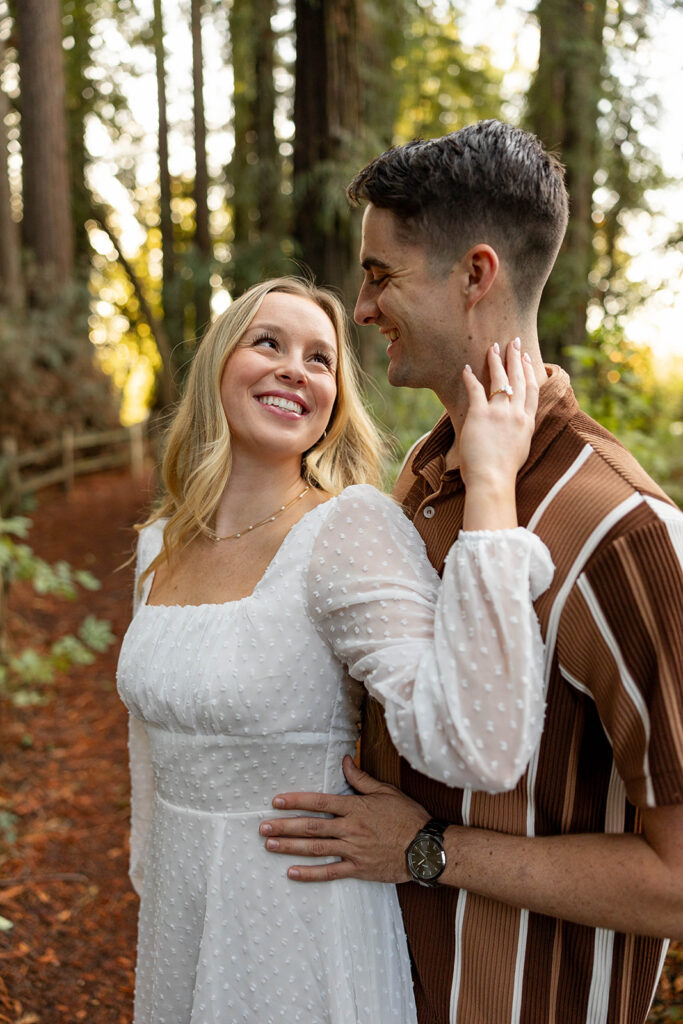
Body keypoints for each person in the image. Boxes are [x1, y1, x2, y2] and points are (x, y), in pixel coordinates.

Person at [260, 123, 683, 1024]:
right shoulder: (421, 473)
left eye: (380, 275)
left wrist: (428, 852)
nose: (362, 307)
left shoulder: (620, 531)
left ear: (475, 274)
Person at [117, 275, 554, 1024]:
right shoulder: (164, 540)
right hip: (177, 919)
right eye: (269, 343)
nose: (296, 367)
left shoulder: (346, 530)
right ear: (218, 367)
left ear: (332, 405)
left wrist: (488, 480)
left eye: (320, 359)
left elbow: (475, 743)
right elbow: (148, 738)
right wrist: (150, 870)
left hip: (298, 921)